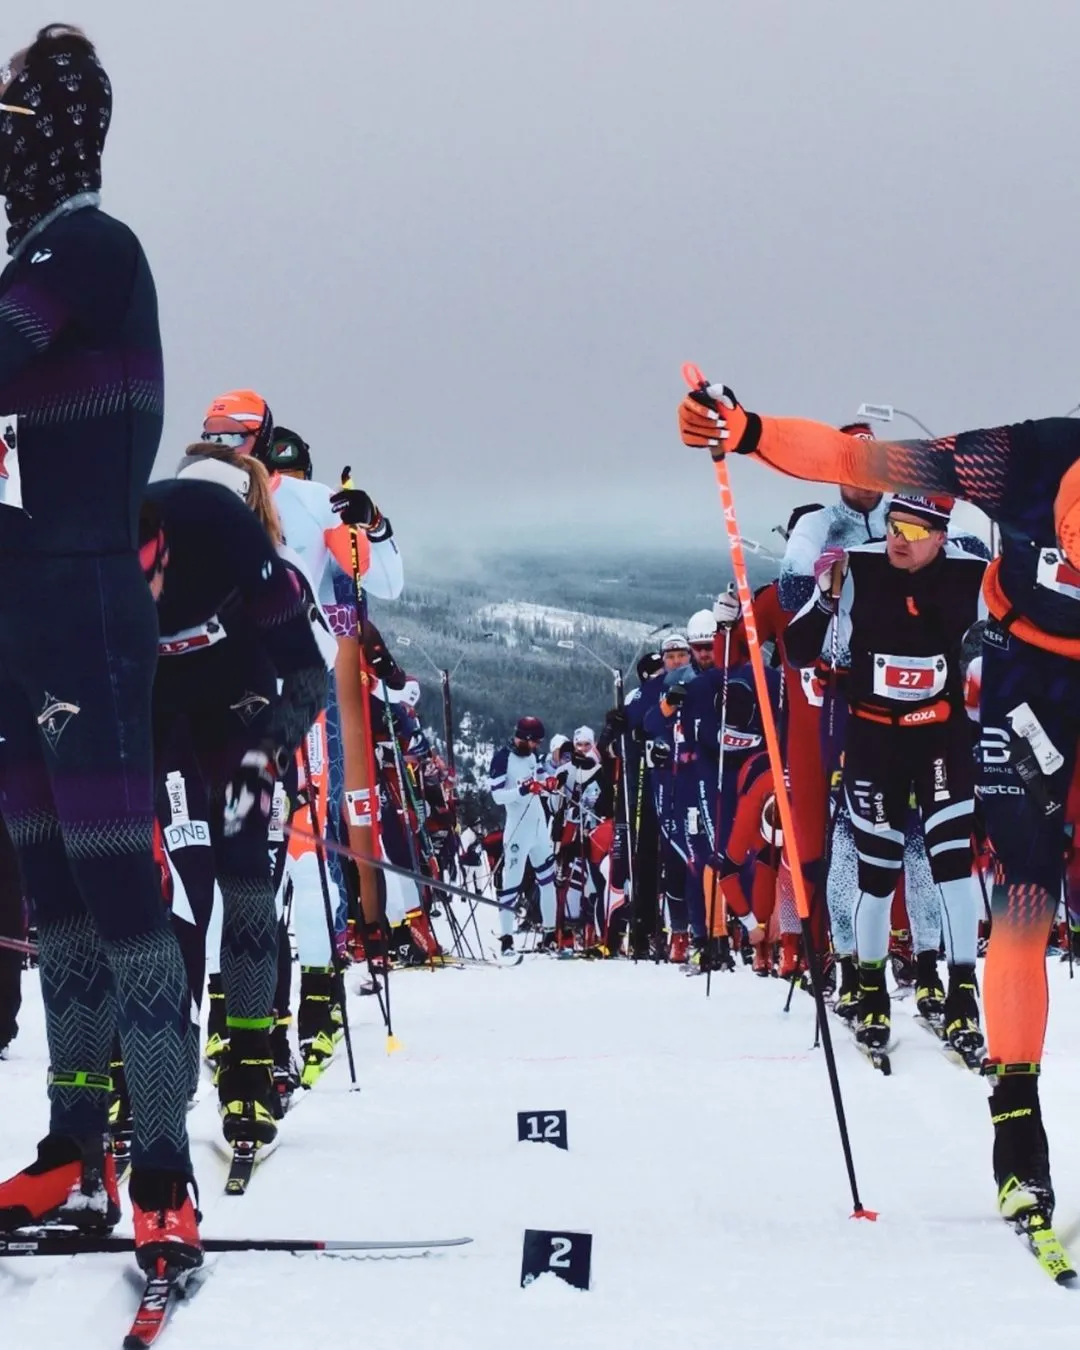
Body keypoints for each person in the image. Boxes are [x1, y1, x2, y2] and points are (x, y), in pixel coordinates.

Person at [678, 380, 1080, 1233]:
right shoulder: (1029, 458)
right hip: (1027, 685)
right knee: (1023, 896)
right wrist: (746, 429)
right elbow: (852, 460)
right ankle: (1019, 1137)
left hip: (978, 709)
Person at [0, 26, 201, 1267]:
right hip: (24, 604)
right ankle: (75, 1144)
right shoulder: (34, 245)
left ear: (53, 131)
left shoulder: (85, 241)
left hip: (84, 604)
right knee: (54, 890)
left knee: (121, 890)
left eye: (9, 129)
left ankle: (164, 1164)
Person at [139, 475, 328, 1154]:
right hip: (160, 706)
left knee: (245, 873)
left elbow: (312, 681)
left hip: (239, 704)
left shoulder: (235, 540)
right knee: (180, 886)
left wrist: (266, 757)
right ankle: (153, 1068)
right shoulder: (111, 544)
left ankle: (250, 1066)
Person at [784, 492, 986, 1060]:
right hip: (874, 739)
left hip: (941, 737)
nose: (899, 538)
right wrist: (826, 597)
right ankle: (871, 987)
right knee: (878, 873)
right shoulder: (863, 566)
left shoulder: (973, 575)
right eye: (895, 525)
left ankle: (963, 993)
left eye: (916, 532)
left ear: (942, 536)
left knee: (951, 863)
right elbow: (798, 650)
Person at [488, 717, 559, 956]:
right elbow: (497, 796)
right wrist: (523, 789)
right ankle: (506, 939)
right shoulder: (502, 758)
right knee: (512, 885)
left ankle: (550, 935)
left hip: (539, 827)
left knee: (548, 880)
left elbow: (538, 776)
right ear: (526, 739)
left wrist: (546, 782)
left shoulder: (530, 756)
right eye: (535, 742)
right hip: (517, 829)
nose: (537, 746)